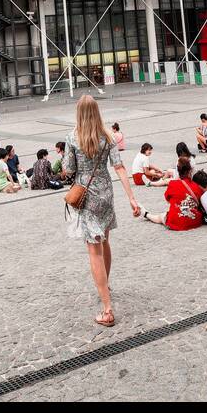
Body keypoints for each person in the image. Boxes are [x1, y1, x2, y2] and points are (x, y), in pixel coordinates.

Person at [66, 94, 141, 328]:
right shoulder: (107, 136)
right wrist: (131, 198)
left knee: (93, 251)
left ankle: (107, 309)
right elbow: (118, 167)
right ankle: (105, 284)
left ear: (78, 113)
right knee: (105, 241)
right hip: (106, 194)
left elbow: (69, 169)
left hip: (87, 198)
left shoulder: (72, 137)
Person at [143, 157, 207, 230]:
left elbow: (168, 199)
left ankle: (147, 214)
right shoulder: (196, 186)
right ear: (190, 170)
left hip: (176, 221)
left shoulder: (172, 184)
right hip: (194, 220)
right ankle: (147, 214)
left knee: (161, 216)